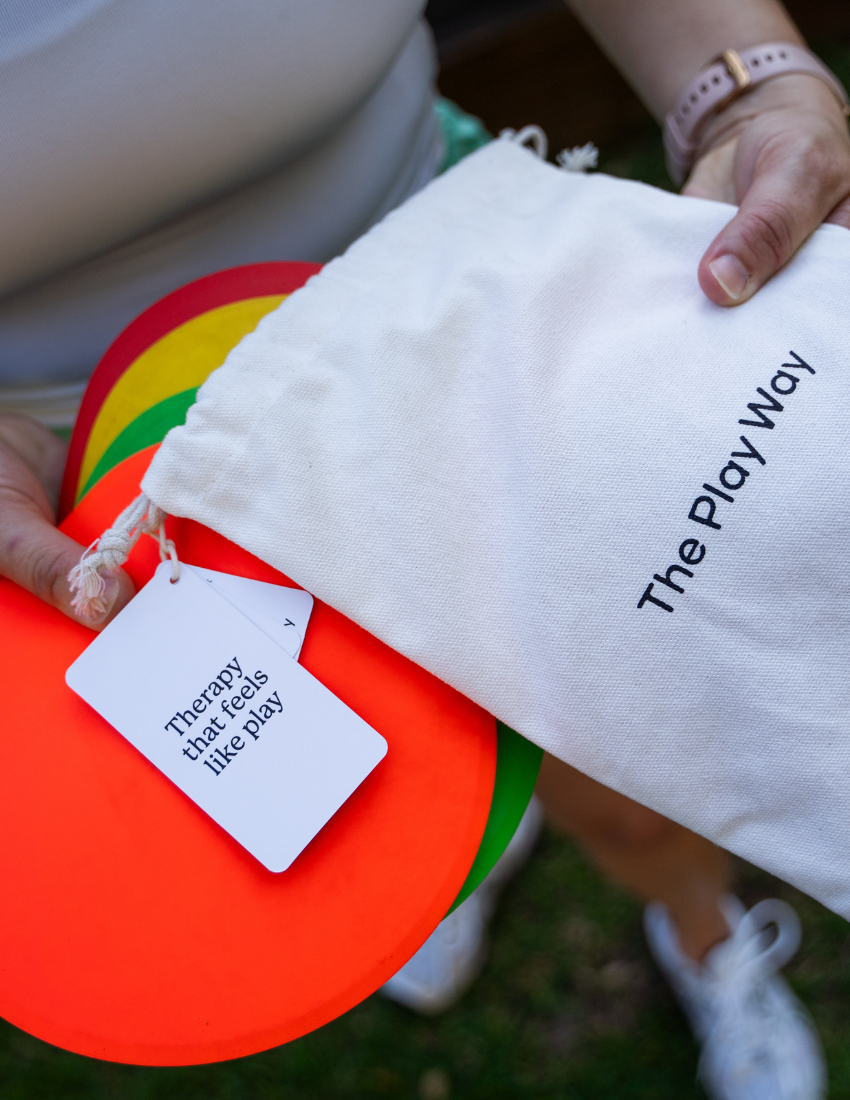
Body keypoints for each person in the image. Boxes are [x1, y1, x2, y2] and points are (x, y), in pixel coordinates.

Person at [1, 2, 848, 1095]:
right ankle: (444, 863)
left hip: (466, 327)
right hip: (98, 482)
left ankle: (699, 931)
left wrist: (741, 79)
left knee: (640, 761)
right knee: (345, 810)